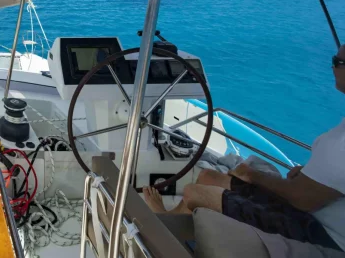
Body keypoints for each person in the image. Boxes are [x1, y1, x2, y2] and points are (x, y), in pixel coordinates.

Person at [143, 44, 345, 251]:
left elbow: (301, 199)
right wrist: (307, 174)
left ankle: (169, 235)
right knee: (208, 177)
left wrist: (253, 175)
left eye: (337, 62)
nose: (332, 67)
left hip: (318, 230)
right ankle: (170, 217)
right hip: (308, 207)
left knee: (195, 192)